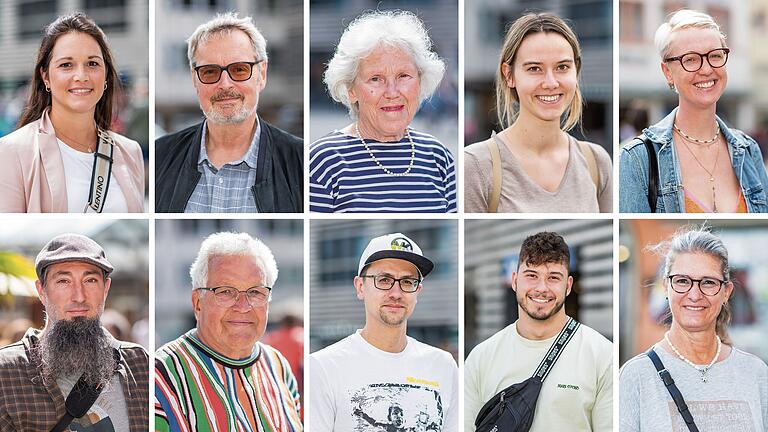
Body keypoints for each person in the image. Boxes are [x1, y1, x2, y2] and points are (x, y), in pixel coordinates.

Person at [619, 9, 768, 213]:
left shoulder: (749, 150)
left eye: (715, 56)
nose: (706, 69)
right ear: (667, 72)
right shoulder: (637, 158)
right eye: (690, 59)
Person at [619, 227, 768, 430]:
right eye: (682, 281)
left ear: (726, 292)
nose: (695, 295)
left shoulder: (756, 373)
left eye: (708, 282)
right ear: (665, 287)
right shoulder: (635, 376)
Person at [309, 11, 457, 213]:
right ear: (351, 90)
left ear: (420, 82)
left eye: (403, 76)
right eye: (376, 79)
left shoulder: (438, 157)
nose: (392, 92)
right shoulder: (322, 161)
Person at [464, 13, 612, 213]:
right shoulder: (476, 165)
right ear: (509, 75)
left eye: (562, 67)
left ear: (575, 72)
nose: (551, 83)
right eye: (534, 68)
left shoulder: (597, 161)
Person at [464, 232, 612, 431]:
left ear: (568, 286)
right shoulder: (481, 357)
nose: (542, 288)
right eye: (532, 276)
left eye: (553, 277)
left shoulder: (602, 355)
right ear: (514, 281)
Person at [155, 13, 303, 213]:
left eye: (239, 70)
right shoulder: (161, 155)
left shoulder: (301, 162)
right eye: (210, 72)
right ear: (194, 79)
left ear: (262, 74)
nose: (225, 84)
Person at [310, 233, 458, 431]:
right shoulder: (323, 367)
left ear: (418, 292)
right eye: (384, 279)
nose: (396, 293)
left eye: (407, 282)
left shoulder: (443, 366)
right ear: (360, 287)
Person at [155, 232, 302, 431]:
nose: (243, 306)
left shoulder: (278, 366)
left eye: (256, 292)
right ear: (197, 303)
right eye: (225, 291)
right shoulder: (160, 375)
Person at [0, 233, 149, 430]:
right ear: (42, 290)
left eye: (90, 280)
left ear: (106, 288)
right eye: (63, 281)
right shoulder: (7, 372)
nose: (79, 296)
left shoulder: (139, 363)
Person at [0, 13, 145, 213]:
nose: (81, 76)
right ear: (46, 76)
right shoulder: (12, 151)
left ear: (106, 75)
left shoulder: (130, 152)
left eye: (92, 63)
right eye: (66, 65)